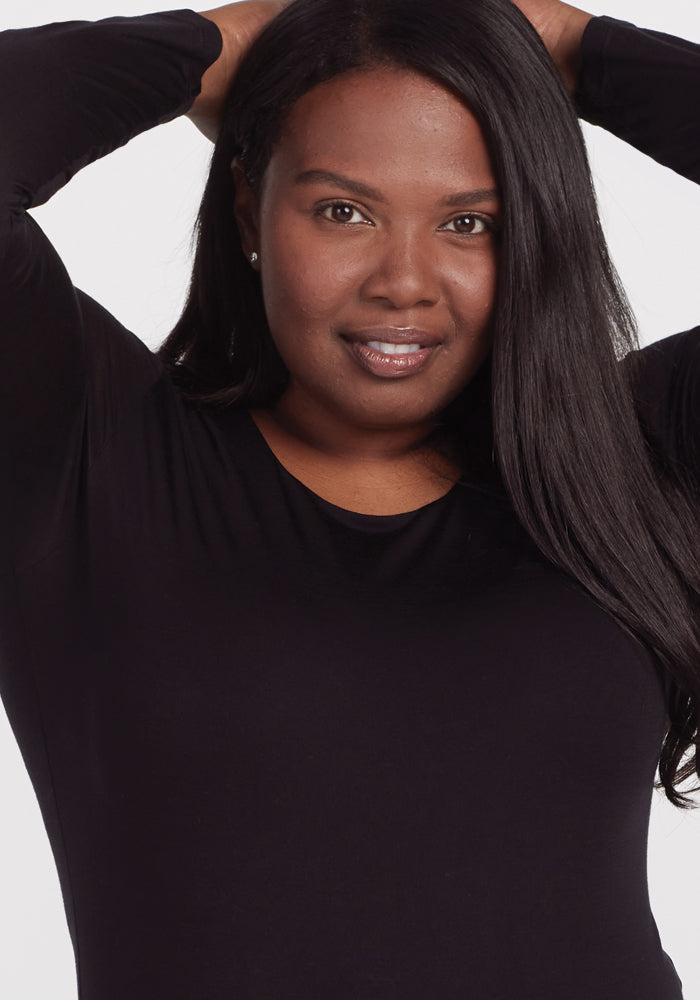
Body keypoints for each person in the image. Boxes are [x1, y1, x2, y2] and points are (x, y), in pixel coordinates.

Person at [1, 0, 699, 996]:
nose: (403, 282)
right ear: (250, 210)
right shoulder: (85, 457)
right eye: (343, 210)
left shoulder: (625, 461)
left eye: (470, 222)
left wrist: (584, 55)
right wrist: (219, 47)